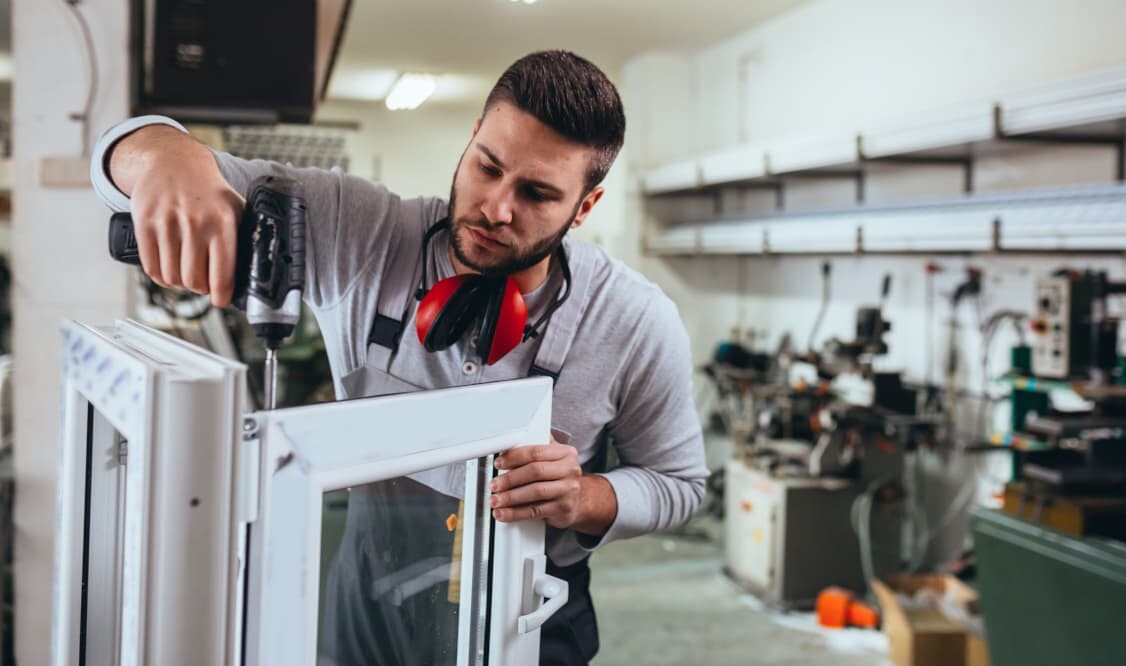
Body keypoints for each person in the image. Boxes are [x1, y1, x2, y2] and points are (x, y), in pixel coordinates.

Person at [91, 50, 707, 665]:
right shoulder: (367, 236)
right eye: (487, 166)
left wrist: (587, 497)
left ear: (585, 207)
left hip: (529, 620)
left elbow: (679, 484)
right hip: (368, 602)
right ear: (471, 139)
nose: (496, 207)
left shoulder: (634, 320)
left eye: (537, 193)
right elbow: (124, 155)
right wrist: (168, 161)